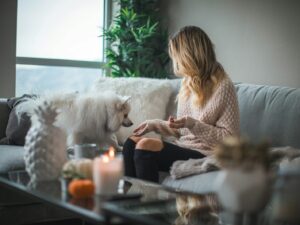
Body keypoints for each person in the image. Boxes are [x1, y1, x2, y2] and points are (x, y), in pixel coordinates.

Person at [122, 26, 240, 182]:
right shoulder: (188, 82)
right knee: (131, 143)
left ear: (188, 56)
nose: (175, 61)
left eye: (176, 55)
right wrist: (155, 124)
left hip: (208, 153)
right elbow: (183, 131)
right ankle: (130, 201)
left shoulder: (223, 86)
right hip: (184, 146)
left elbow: (229, 139)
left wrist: (192, 124)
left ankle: (148, 204)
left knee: (146, 146)